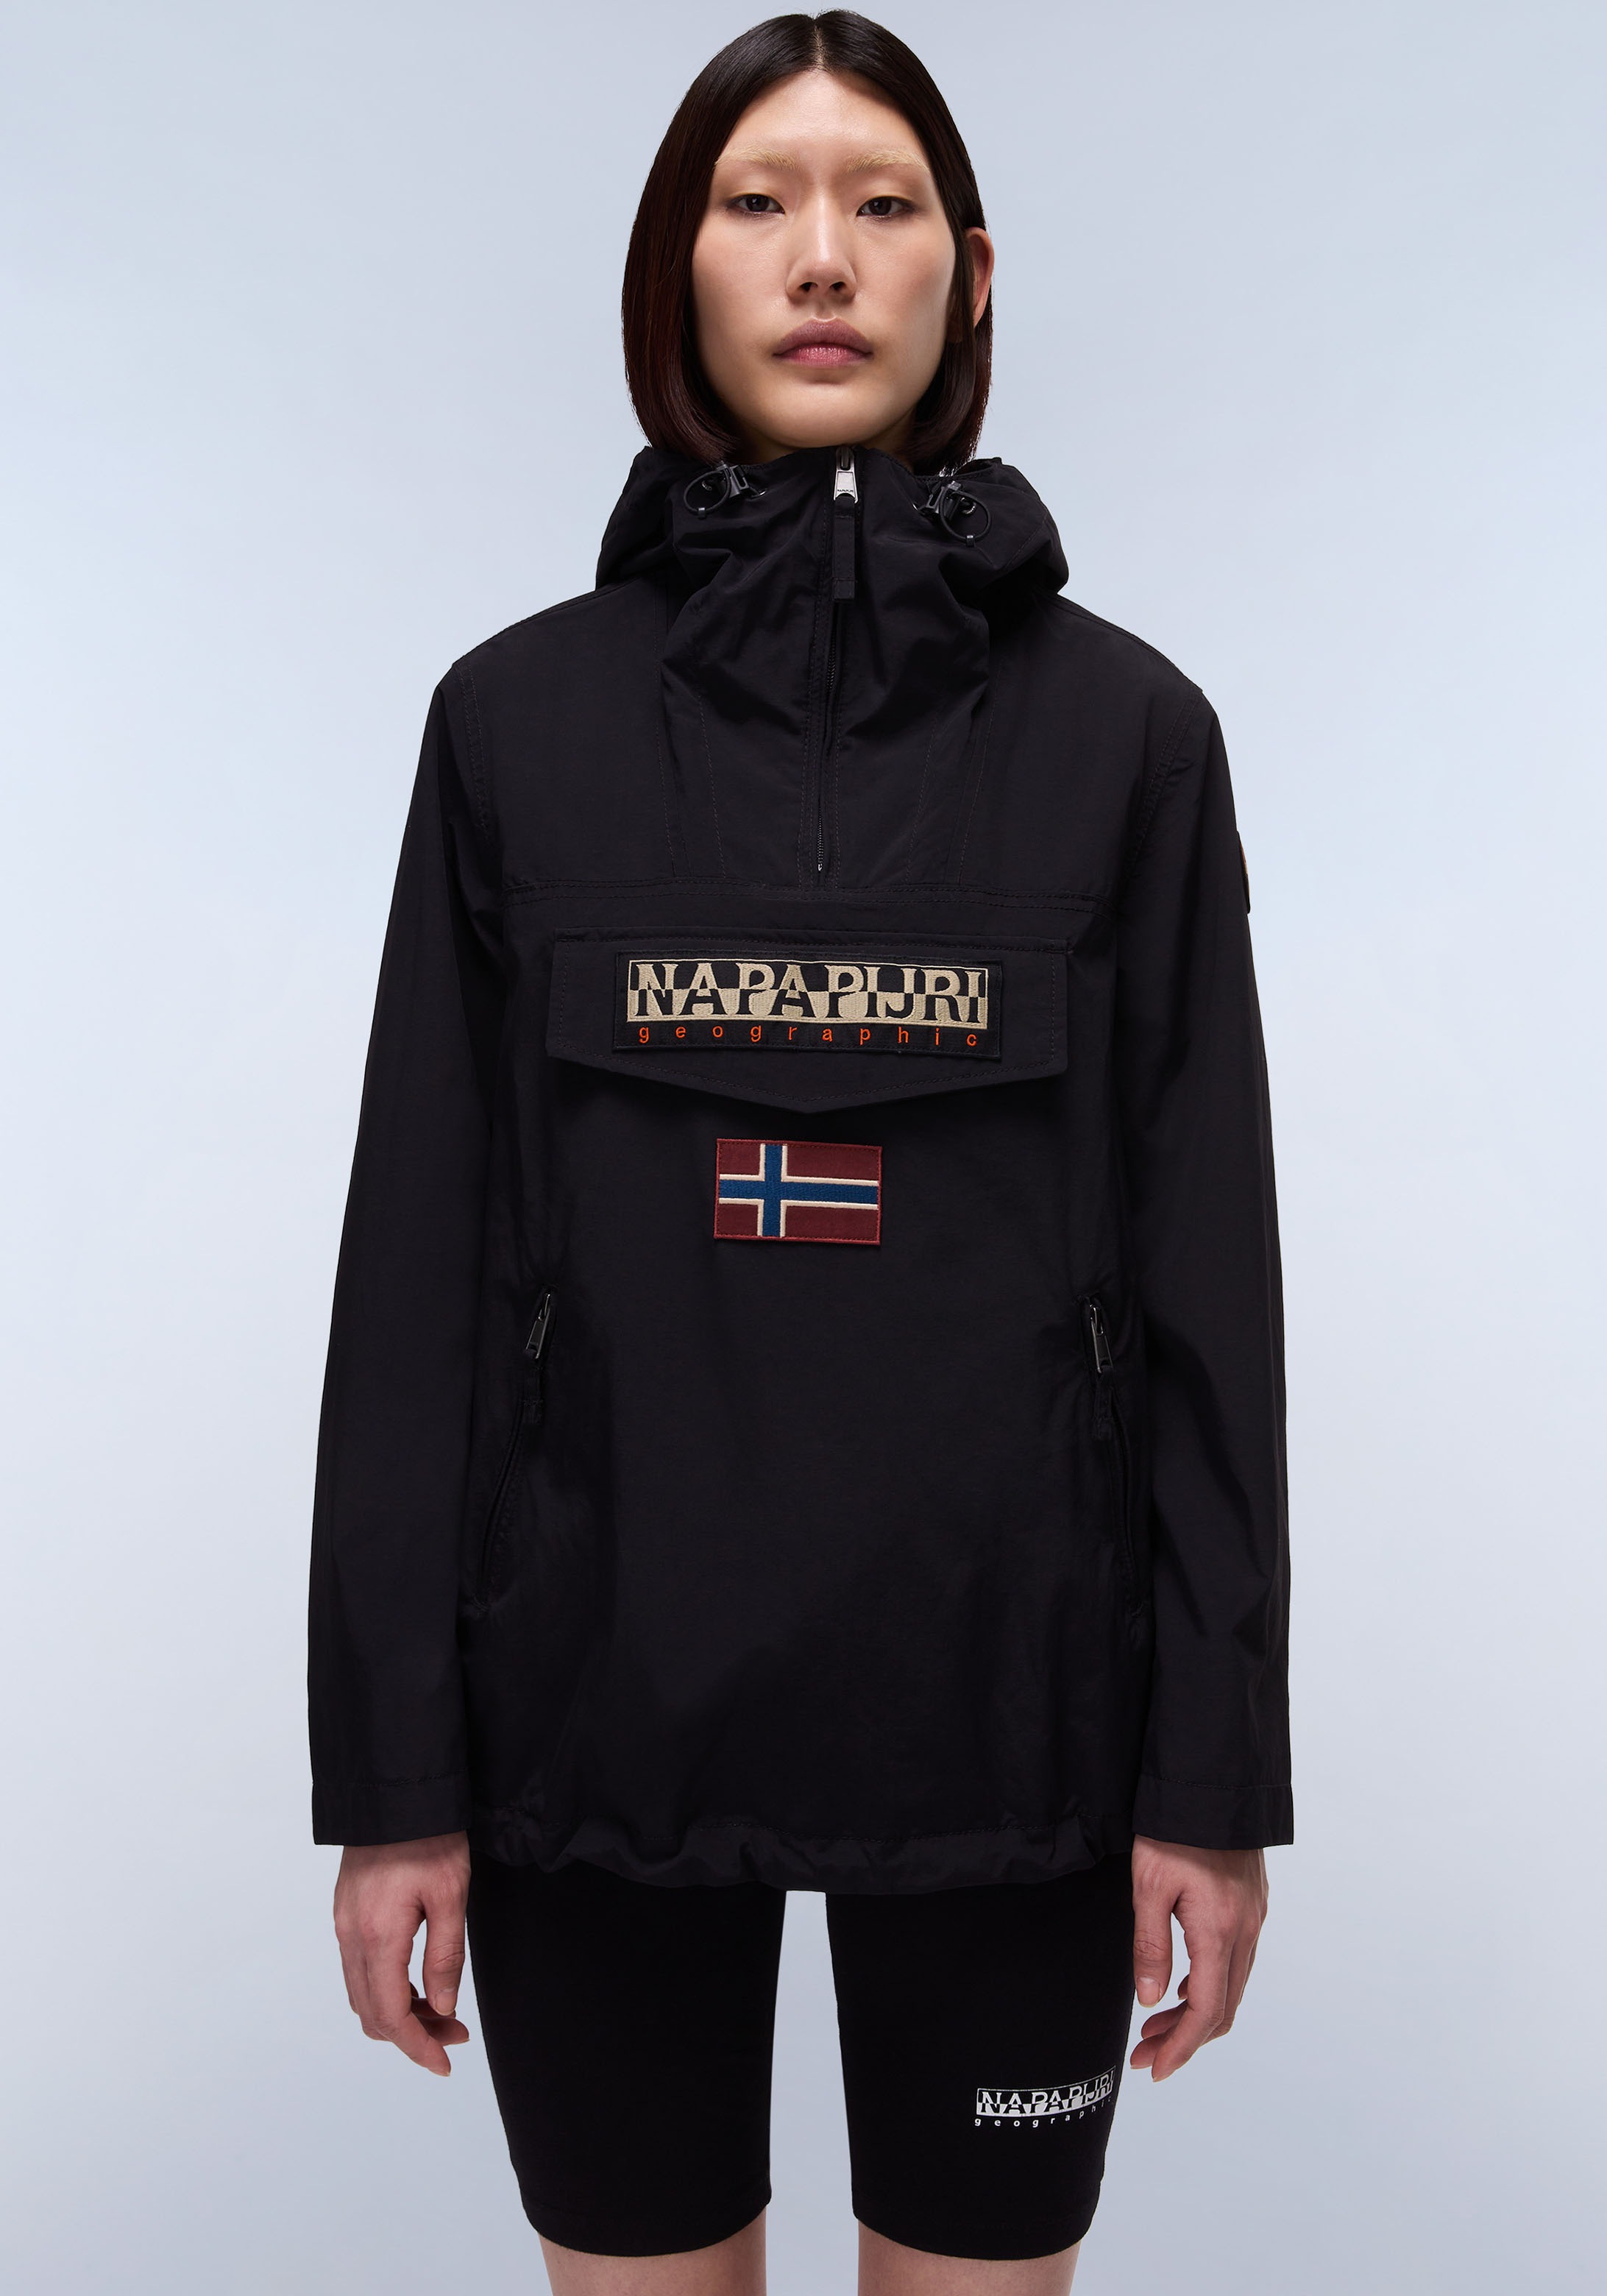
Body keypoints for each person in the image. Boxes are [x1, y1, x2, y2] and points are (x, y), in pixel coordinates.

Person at [309, 13, 1290, 2292]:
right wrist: (395, 1784)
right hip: (590, 1732)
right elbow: (422, 1276)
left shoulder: (1132, 738)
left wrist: (1212, 1784)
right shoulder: (513, 725)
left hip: (1024, 1737)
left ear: (969, 269)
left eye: (882, 203)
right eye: (758, 202)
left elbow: (1205, 1285)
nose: (822, 258)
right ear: (678, 265)